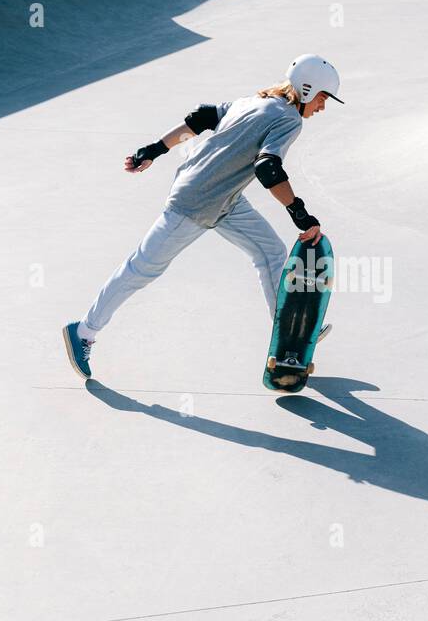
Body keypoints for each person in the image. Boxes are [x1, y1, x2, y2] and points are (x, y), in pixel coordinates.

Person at [63, 54, 343, 379]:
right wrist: (301, 215)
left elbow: (201, 118)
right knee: (143, 268)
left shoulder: (254, 101)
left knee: (270, 253)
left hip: (225, 200)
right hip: (196, 202)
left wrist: (153, 150)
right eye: (324, 98)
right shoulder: (289, 119)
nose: (322, 107)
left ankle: (287, 336)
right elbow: (268, 167)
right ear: (308, 90)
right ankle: (83, 331)